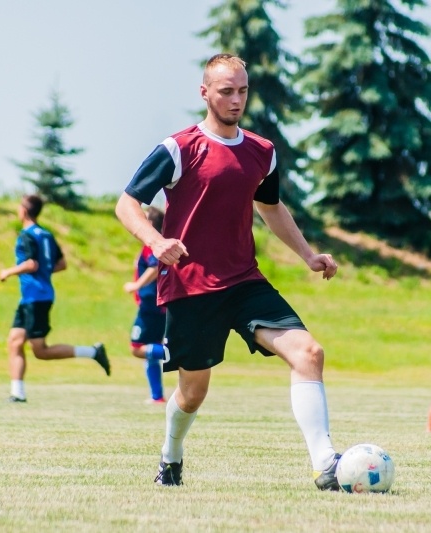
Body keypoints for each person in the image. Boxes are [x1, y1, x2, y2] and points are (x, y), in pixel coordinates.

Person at [115, 53, 342, 490]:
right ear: (205, 93)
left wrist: (308, 255)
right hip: (190, 285)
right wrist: (157, 242)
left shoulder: (262, 152)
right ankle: (171, 456)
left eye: (242, 91)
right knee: (194, 392)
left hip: (243, 281)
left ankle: (325, 464)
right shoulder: (178, 149)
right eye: (226, 91)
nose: (236, 100)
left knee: (309, 353)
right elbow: (127, 204)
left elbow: (271, 208)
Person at [0, 194, 111, 402]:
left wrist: (8, 271)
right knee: (14, 341)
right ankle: (17, 393)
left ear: (24, 211)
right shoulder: (46, 235)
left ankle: (93, 352)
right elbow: (61, 264)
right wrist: (43, 274)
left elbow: (32, 264)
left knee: (40, 351)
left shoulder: (26, 235)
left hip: (36, 297)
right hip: (32, 297)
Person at [123, 206, 168, 405]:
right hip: (156, 304)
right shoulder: (153, 243)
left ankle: (176, 352)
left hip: (151, 304)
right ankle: (157, 396)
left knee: (137, 348)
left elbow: (156, 265)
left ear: (150, 224)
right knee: (150, 352)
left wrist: (137, 285)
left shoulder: (153, 243)